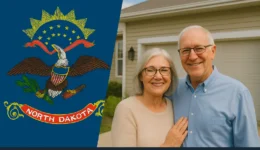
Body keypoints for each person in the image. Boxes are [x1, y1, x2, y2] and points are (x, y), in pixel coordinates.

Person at [171, 25, 260, 147]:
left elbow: (248, 144)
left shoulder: (237, 93)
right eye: (185, 50)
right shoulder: (173, 90)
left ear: (212, 51)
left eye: (199, 48)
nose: (192, 56)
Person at [111, 48, 188, 147]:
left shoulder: (173, 106)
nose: (158, 76)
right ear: (140, 76)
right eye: (150, 70)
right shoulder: (126, 109)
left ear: (171, 76)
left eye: (164, 70)